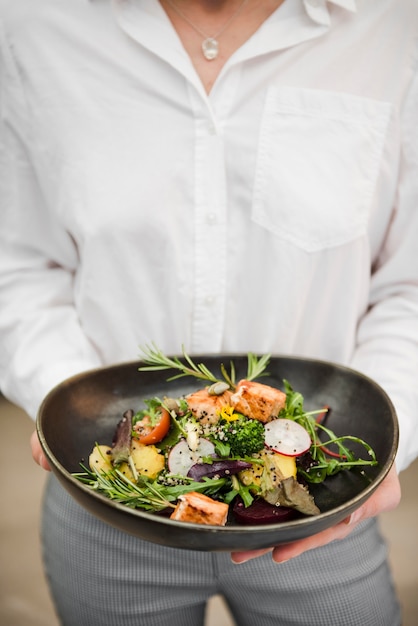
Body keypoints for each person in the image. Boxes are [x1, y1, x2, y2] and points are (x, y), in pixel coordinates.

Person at [0, 0, 417, 624]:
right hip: (110, 510)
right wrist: (67, 409)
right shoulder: (29, 25)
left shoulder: (394, 27)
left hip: (323, 506)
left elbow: (409, 284)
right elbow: (18, 264)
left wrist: (386, 436)